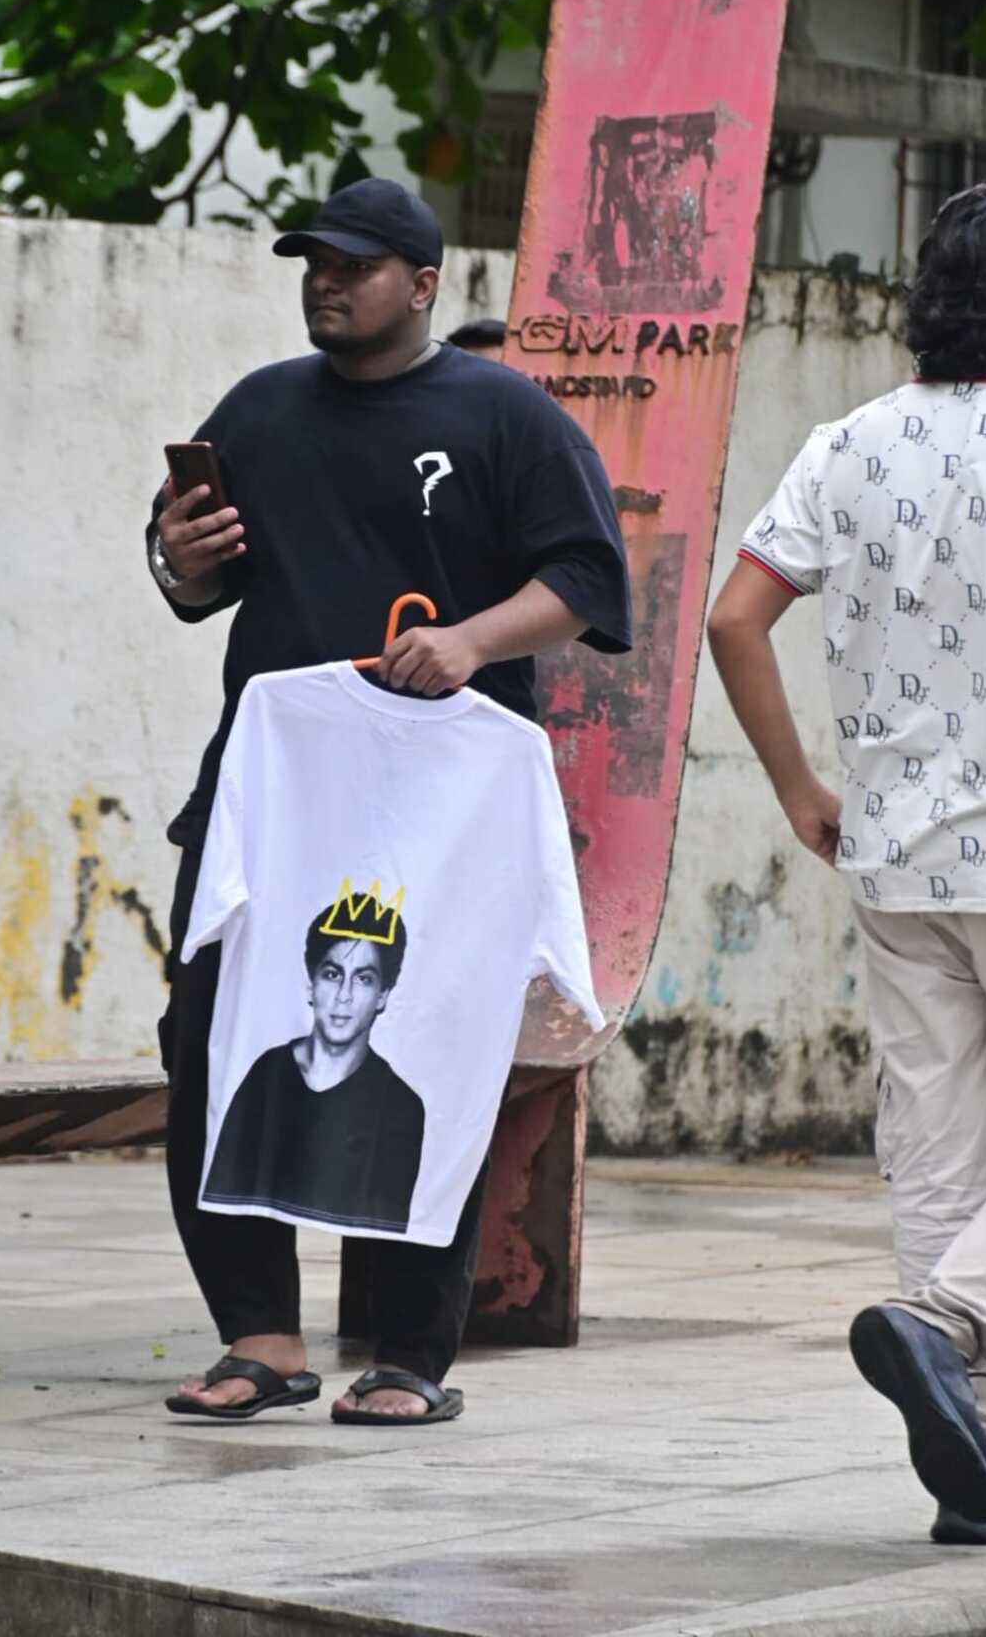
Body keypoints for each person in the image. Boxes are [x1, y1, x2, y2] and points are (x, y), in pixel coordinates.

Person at [148, 175, 631, 1423]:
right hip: (275, 793)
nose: (326, 281)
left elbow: (584, 578)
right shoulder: (258, 410)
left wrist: (472, 641)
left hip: (441, 814)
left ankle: (411, 1356)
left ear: (420, 285)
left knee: (427, 1045)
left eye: (354, 265)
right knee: (210, 1041)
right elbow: (195, 578)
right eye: (313, 261)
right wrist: (178, 558)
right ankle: (259, 1338)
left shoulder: (504, 417)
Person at [706, 178, 986, 1545]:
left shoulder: (848, 445)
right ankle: (948, 1319)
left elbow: (739, 619)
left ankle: (980, 1464)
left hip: (897, 860)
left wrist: (802, 783)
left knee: (936, 1158)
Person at [202, 896, 424, 1232]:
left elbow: (390, 1232)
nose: (344, 995)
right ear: (311, 984)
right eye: (333, 974)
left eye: (364, 978)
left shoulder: (400, 1107)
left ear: (383, 996)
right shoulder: (268, 1075)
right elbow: (227, 1200)